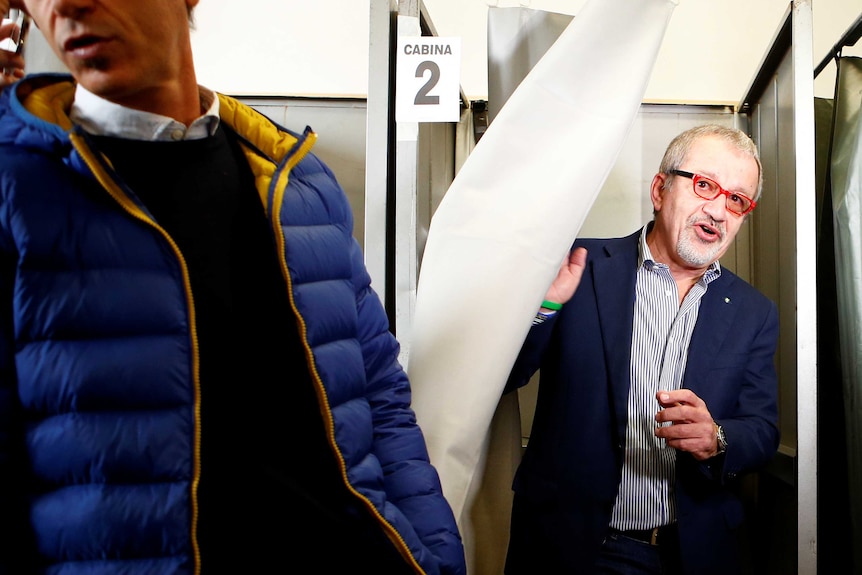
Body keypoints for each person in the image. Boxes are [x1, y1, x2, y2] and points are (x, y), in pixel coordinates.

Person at [0, 0, 465, 573]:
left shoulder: (296, 183)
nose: (65, 5)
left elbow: (379, 395)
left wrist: (435, 556)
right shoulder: (18, 192)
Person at [503, 124, 780, 575]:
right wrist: (543, 307)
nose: (718, 210)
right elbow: (502, 377)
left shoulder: (754, 312)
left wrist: (717, 438)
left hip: (692, 552)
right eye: (705, 185)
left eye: (736, 200)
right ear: (659, 189)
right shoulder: (577, 267)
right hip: (573, 547)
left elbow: (762, 429)